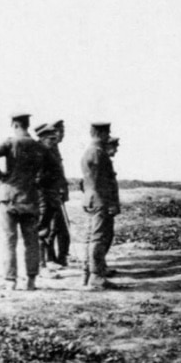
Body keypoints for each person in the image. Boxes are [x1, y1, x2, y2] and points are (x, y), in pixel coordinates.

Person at [0, 113, 53, 291]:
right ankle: (31, 281)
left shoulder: (10, 143)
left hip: (9, 197)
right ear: (28, 125)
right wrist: (38, 181)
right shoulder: (40, 147)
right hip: (30, 198)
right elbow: (53, 170)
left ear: (15, 124)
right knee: (31, 241)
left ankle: (10, 281)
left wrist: (0, 176)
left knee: (9, 240)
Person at [81, 122, 121, 289]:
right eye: (106, 133)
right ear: (101, 133)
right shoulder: (97, 153)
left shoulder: (92, 151)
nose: (107, 136)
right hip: (100, 200)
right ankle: (96, 277)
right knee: (98, 238)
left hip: (93, 199)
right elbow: (100, 182)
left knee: (93, 237)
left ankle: (89, 273)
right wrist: (111, 203)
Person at [34, 122, 71, 272]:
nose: (54, 141)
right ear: (42, 138)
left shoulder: (49, 150)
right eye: (51, 138)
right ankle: (42, 263)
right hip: (43, 195)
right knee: (43, 229)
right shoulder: (39, 153)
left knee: (51, 228)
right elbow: (38, 177)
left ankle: (49, 260)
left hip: (52, 195)